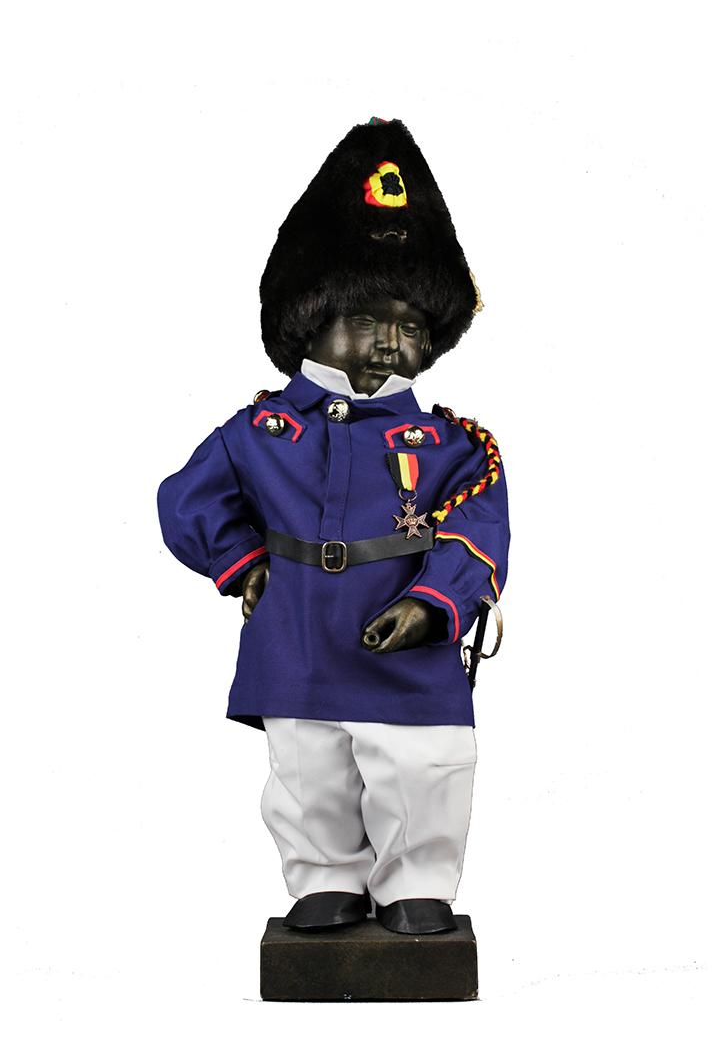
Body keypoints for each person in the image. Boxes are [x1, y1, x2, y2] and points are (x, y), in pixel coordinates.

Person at [157, 118, 510, 935]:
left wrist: (435, 602)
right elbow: (186, 499)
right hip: (297, 636)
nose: (391, 343)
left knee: (424, 765)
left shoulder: (453, 446)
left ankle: (417, 885)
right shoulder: (260, 432)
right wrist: (240, 562)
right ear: (311, 321)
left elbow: (479, 527)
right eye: (369, 319)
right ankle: (325, 880)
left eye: (412, 328)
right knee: (307, 768)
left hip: (408, 642)